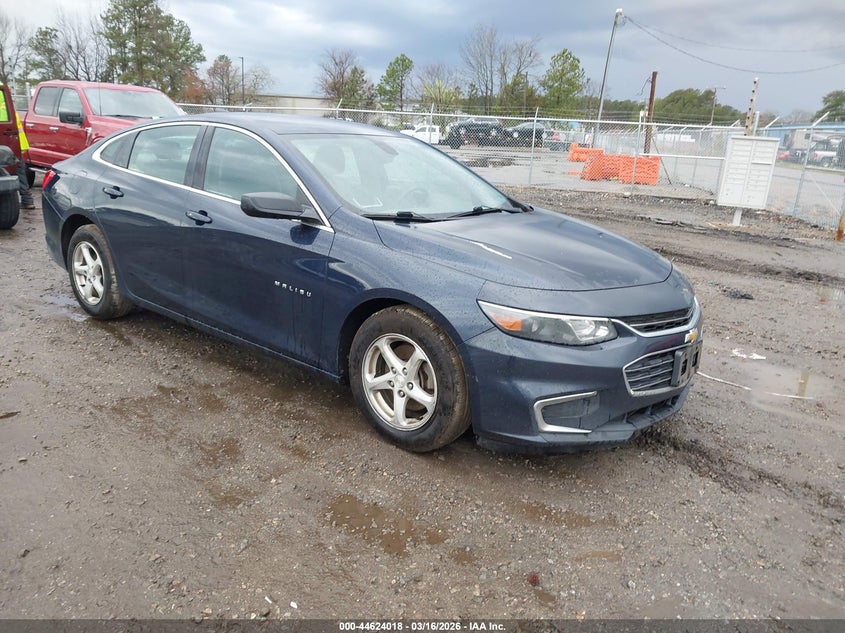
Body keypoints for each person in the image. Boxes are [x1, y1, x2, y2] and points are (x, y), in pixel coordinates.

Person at [15, 113, 34, 209]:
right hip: (16, 145)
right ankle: (28, 200)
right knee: (21, 174)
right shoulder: (9, 108)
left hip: (10, 144)